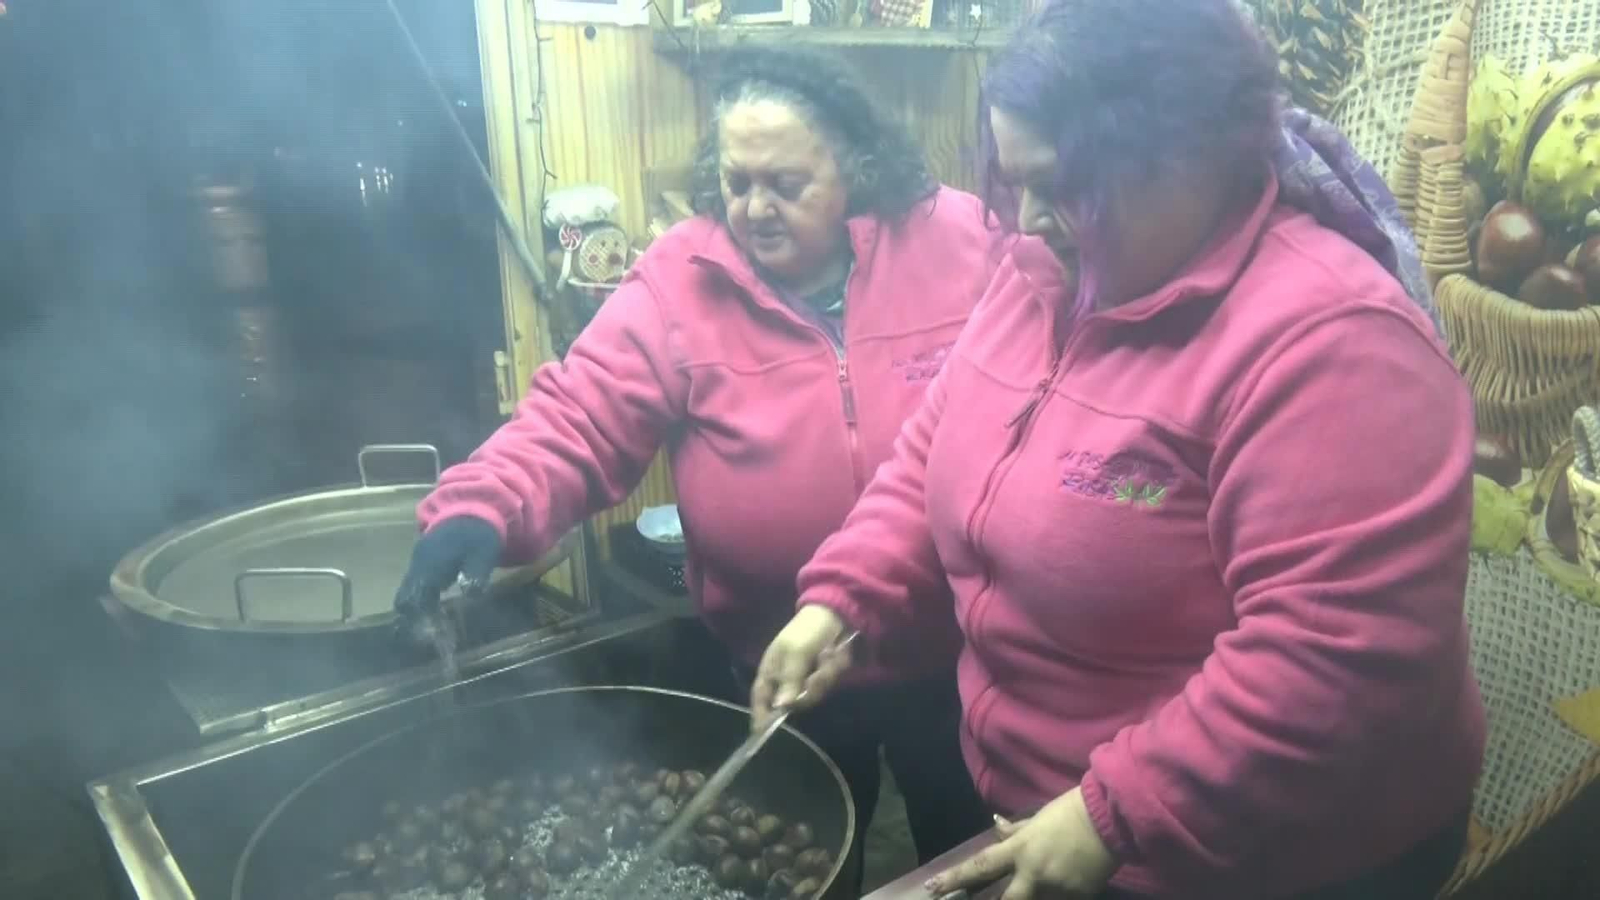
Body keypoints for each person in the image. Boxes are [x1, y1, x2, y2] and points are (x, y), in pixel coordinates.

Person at [753, 2, 1485, 898]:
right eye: (1013, 180)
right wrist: (843, 597)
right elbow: (930, 457)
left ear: (1188, 155)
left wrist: (1113, 810)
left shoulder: (1336, 345)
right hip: (1058, 818)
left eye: (1061, 185)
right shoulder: (1046, 277)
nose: (1029, 219)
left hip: (1269, 862)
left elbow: (1335, 658)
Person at [393, 44, 997, 889]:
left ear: (855, 167)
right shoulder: (681, 279)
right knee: (815, 863)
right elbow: (579, 414)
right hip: (783, 667)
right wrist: (484, 504)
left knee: (972, 863)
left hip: (959, 653)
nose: (755, 208)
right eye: (737, 181)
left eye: (786, 183)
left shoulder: (959, 241)